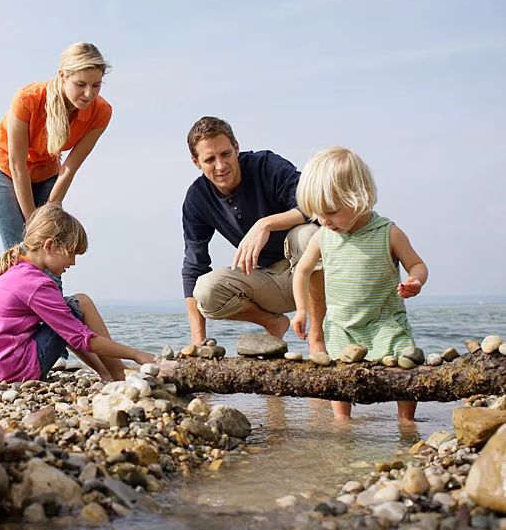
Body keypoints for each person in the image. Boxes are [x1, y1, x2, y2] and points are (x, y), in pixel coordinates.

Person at [291, 146, 428, 421]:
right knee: (340, 382)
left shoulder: (388, 233)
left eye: (330, 211)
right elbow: (302, 271)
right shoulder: (323, 237)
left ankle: (406, 422)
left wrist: (416, 281)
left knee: (405, 371)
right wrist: (301, 310)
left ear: (359, 198)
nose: (323, 221)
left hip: (383, 321)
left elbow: (417, 264)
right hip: (342, 325)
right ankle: (343, 425)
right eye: (317, 214)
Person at [181, 116, 325, 346]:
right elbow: (193, 267)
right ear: (196, 162)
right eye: (210, 159)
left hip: (310, 272)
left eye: (226, 154)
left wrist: (265, 224)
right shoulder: (197, 199)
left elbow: (314, 206)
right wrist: (198, 343)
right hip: (267, 283)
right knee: (205, 291)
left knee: (308, 235)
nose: (220, 166)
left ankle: (317, 336)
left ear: (236, 147)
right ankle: (272, 322)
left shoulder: (266, 165)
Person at [0, 204, 155, 383]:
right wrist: (136, 354)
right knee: (81, 303)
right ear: (49, 245)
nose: (73, 262)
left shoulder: (16, 268)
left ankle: (107, 373)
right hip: (20, 369)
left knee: (65, 319)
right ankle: (118, 372)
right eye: (71, 254)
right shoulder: (37, 283)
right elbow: (79, 338)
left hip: (3, 365)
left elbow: (70, 330)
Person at [0, 42, 112, 250]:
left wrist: (49, 211)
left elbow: (69, 169)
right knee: (22, 246)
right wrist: (33, 221)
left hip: (46, 171)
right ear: (62, 76)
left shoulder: (101, 113)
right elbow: (17, 166)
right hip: (5, 168)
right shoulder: (27, 99)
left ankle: (51, 284)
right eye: (81, 84)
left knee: (51, 247)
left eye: (96, 86)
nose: (89, 94)